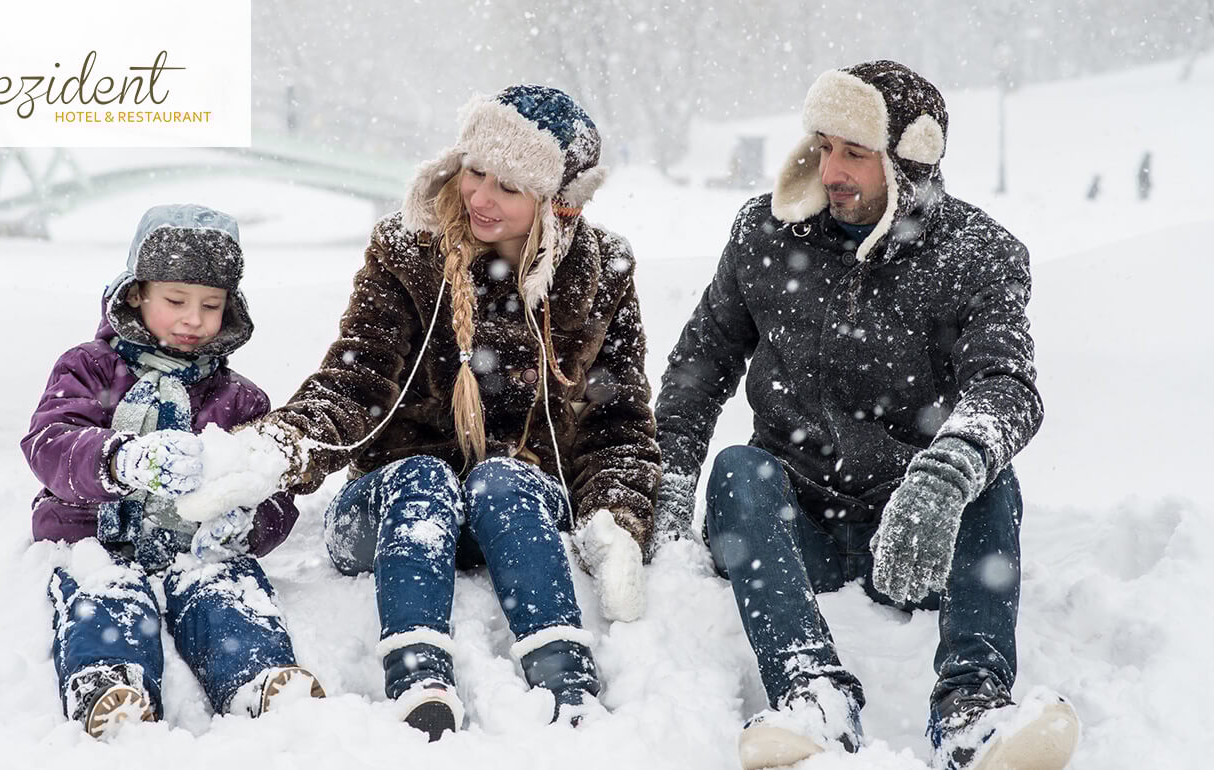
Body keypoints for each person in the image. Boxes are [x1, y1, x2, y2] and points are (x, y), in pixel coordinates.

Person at [653, 61, 1079, 770]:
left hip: (916, 534)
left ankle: (972, 711)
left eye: (855, 152)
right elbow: (700, 367)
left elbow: (1007, 385)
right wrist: (666, 487)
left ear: (909, 161)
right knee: (737, 469)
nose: (831, 170)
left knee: (987, 475)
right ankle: (811, 693)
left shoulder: (978, 255)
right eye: (823, 146)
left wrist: (943, 477)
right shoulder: (765, 234)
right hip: (791, 530)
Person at [211, 85, 659, 740]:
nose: (479, 196)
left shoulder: (602, 272)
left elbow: (617, 425)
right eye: (475, 170)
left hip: (516, 514)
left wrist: (618, 521)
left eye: (507, 186)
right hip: (392, 510)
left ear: (554, 204)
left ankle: (565, 675)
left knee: (501, 479)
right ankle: (419, 674)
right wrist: (278, 448)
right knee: (424, 477)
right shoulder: (406, 250)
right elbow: (354, 382)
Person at [22, 203, 324, 739]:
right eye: (176, 300)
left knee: (227, 591)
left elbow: (273, 489)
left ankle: (257, 676)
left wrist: (248, 522)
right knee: (106, 592)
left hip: (196, 547)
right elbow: (50, 443)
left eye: (211, 305)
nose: (193, 319)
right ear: (137, 293)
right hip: (94, 536)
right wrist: (120, 459)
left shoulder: (240, 399)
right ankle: (109, 681)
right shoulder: (89, 368)